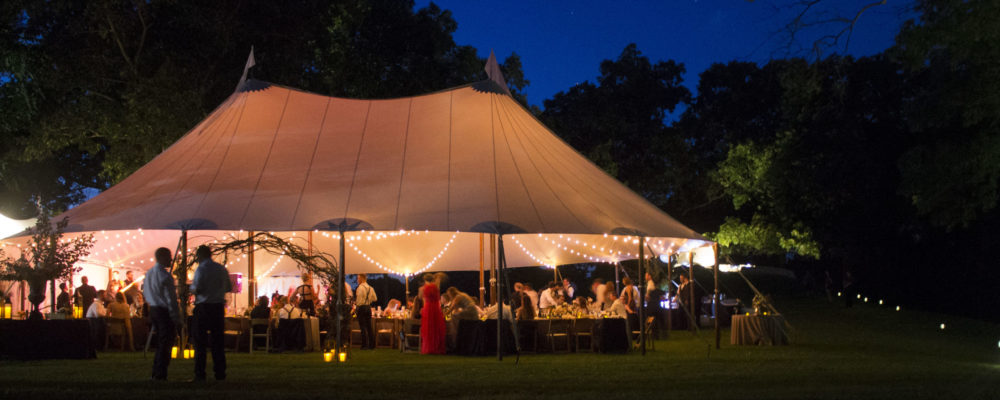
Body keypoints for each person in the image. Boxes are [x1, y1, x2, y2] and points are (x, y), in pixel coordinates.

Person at [189, 245, 232, 381]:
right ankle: (220, 373)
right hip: (218, 308)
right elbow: (229, 287)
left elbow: (198, 288)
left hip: (203, 307)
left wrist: (190, 289)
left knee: (200, 342)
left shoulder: (201, 269)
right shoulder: (221, 269)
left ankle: (200, 374)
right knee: (218, 342)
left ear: (200, 256)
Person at [142, 248, 180, 381]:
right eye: (169, 256)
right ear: (162, 257)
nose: (171, 259)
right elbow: (171, 299)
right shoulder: (165, 276)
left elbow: (145, 292)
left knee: (160, 342)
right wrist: (176, 316)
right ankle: (160, 373)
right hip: (164, 311)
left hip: (153, 309)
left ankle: (156, 371)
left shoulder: (149, 273)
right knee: (166, 342)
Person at [419, 273, 446, 354]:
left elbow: (421, 298)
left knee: (428, 328)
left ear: (424, 280)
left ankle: (429, 347)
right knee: (436, 327)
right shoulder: (436, 287)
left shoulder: (422, 288)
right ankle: (437, 347)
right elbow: (438, 299)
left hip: (428, 308)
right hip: (436, 308)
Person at [354, 274, 377, 350]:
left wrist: (356, 306)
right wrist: (369, 300)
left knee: (362, 327)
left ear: (361, 278)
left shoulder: (360, 288)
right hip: (368, 308)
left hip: (361, 307)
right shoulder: (370, 288)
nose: (357, 280)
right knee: (369, 327)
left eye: (358, 278)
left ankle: (364, 345)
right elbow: (375, 298)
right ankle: (372, 344)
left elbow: (359, 300)